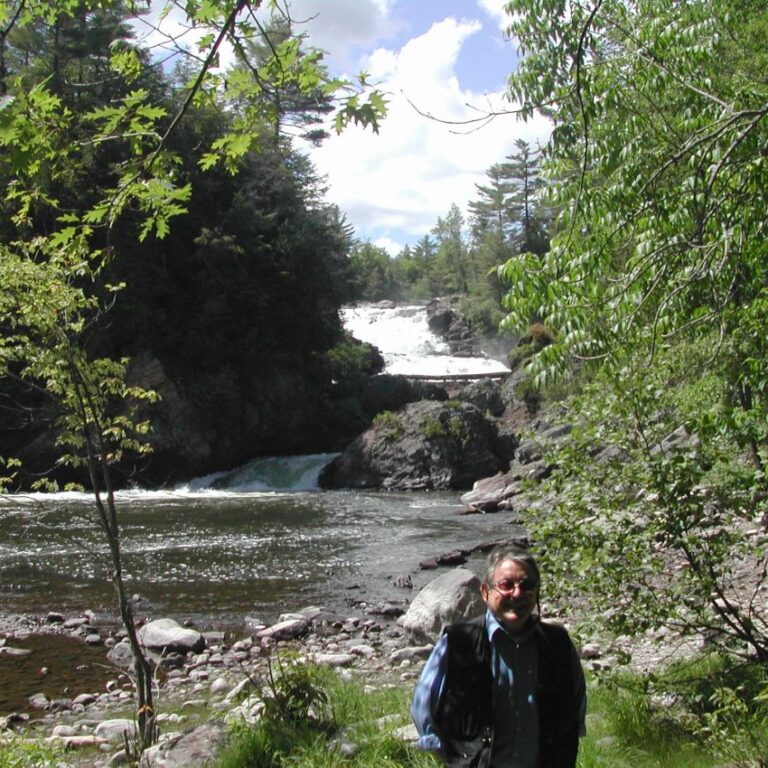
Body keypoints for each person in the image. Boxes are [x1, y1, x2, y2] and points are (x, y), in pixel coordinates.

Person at [411, 546, 586, 768]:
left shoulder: (558, 644)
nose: (517, 593)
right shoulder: (459, 642)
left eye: (527, 585)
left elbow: (576, 711)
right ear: (485, 592)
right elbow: (422, 705)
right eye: (506, 585)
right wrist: (454, 757)